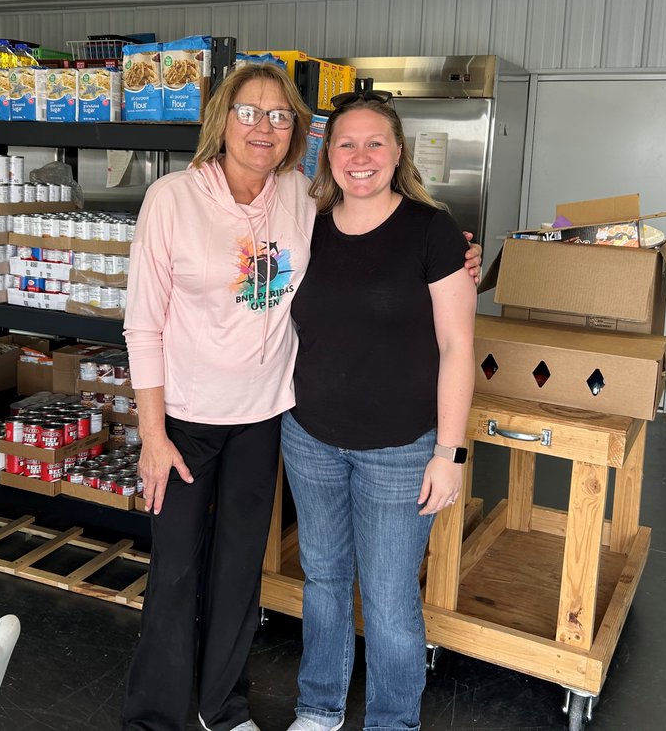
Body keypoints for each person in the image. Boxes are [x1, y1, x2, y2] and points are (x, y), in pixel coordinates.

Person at [121, 64, 481, 731]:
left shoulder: (297, 200)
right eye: (249, 113)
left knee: (242, 576)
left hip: (266, 417)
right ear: (221, 121)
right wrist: (151, 433)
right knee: (176, 575)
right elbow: (142, 322)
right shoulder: (173, 199)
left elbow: (415, 281)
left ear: (296, 135)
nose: (264, 127)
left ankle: (222, 710)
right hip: (190, 421)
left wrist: (458, 255)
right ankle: (157, 718)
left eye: (280, 116)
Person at [280, 90, 477, 731]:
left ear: (397, 154)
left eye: (374, 144)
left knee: (391, 599)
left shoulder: (433, 230)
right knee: (324, 580)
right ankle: (319, 707)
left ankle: (393, 721)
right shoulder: (305, 227)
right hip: (309, 436)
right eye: (345, 143)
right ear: (326, 155)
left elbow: (457, 347)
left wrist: (450, 453)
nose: (359, 156)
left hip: (401, 448)